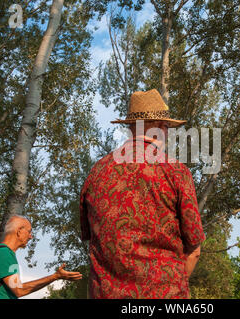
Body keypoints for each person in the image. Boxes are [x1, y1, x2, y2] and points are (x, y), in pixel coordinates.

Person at [79, 89, 206, 299]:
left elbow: (90, 240)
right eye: (167, 127)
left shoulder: (96, 173)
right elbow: (194, 250)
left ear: (130, 128)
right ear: (159, 127)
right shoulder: (176, 171)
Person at [0, 215, 82, 299]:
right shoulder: (4, 254)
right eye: (29, 232)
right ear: (19, 231)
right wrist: (55, 277)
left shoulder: (4, 253)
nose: (31, 236)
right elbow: (19, 290)